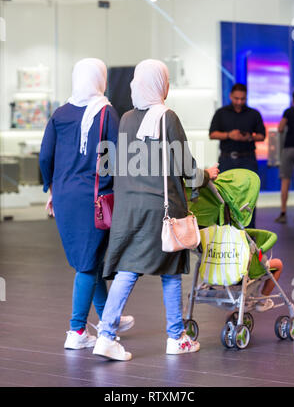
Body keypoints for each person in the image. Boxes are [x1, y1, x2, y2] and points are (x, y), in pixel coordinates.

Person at [92, 59, 220, 361]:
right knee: (171, 271)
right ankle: (176, 337)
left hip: (129, 208)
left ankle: (107, 334)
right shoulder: (168, 118)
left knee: (128, 268)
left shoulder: (125, 119)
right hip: (162, 208)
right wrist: (207, 175)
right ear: (160, 83)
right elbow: (186, 168)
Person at [39, 58, 134, 350]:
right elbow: (118, 158)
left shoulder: (60, 113)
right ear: (100, 79)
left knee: (88, 260)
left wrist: (51, 189)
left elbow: (45, 157)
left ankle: (107, 319)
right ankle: (77, 331)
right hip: (94, 198)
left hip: (65, 197)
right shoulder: (106, 112)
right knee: (87, 265)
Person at [209, 83, 266, 227]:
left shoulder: (254, 113)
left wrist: (248, 137)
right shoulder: (221, 113)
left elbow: (262, 136)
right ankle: (227, 232)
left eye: (242, 99)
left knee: (249, 197)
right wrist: (229, 135)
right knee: (224, 196)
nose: (239, 101)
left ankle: (249, 232)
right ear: (231, 96)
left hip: (247, 158)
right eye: (236, 98)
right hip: (227, 158)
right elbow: (212, 134)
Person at [275, 90, 294, 224]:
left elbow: (280, 128)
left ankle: (283, 212)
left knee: (285, 181)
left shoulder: (288, 111)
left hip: (289, 148)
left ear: (293, 100)